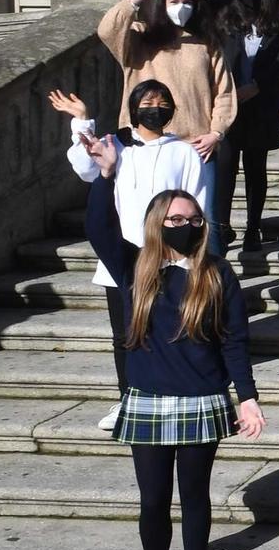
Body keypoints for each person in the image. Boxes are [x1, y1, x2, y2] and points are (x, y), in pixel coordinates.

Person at [82, 150, 263, 550]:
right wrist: (105, 176)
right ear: (157, 222)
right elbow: (98, 228)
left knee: (195, 496)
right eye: (175, 217)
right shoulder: (136, 269)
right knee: (152, 501)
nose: (185, 224)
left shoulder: (217, 273)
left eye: (193, 218)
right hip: (148, 400)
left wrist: (247, 397)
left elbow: (236, 340)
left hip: (202, 398)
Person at [53, 83, 205, 433]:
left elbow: (197, 201)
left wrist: (191, 253)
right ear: (133, 108)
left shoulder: (183, 152)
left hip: (168, 256)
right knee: (124, 334)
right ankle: (127, 398)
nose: (155, 108)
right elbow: (83, 167)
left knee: (165, 329)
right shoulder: (115, 144)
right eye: (148, 102)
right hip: (120, 256)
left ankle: (166, 393)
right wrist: (81, 123)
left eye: (163, 102)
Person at [97, 0, 236, 250]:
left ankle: (211, 287)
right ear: (161, 3)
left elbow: (224, 92)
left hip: (196, 146)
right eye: (174, 2)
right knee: (146, 220)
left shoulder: (206, 43)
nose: (181, 8)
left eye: (187, 2)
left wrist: (217, 133)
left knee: (205, 221)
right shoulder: (138, 39)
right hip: (145, 146)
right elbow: (107, 30)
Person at [210, 0, 279, 252]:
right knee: (224, 166)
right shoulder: (221, 13)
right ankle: (221, 227)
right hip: (227, 103)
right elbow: (193, 1)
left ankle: (253, 228)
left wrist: (257, 85)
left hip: (261, 103)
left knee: (255, 168)